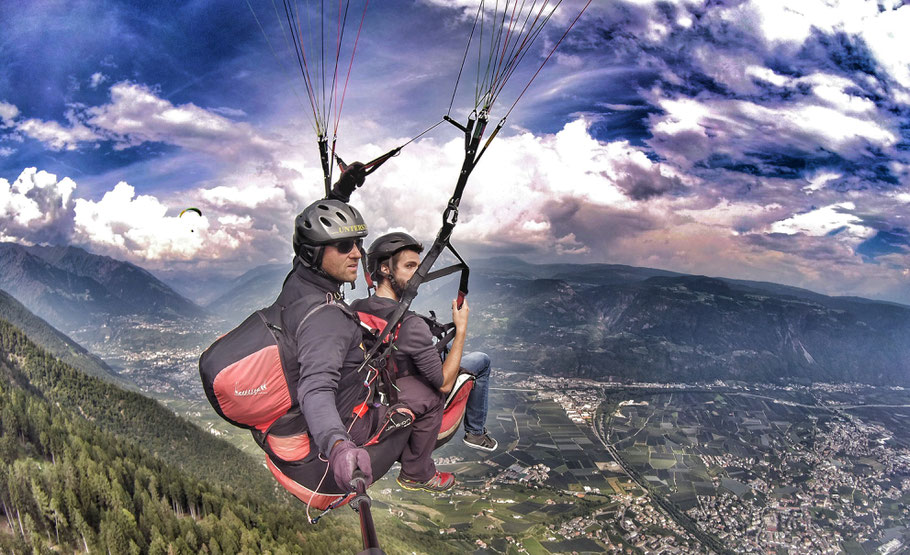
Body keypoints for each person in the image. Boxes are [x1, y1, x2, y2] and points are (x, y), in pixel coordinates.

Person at [264, 198, 425, 505]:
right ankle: (417, 472)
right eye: (344, 246)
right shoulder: (327, 317)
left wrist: (343, 189)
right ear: (315, 251)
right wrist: (338, 444)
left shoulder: (297, 284)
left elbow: (312, 239)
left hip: (289, 437)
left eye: (358, 243)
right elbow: (316, 387)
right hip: (329, 455)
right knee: (413, 411)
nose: (357, 253)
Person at [352, 233, 497, 470]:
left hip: (385, 377)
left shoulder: (357, 307)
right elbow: (443, 385)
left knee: (447, 348)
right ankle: (475, 433)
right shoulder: (410, 324)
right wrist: (461, 329)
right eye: (410, 267)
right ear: (386, 270)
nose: (419, 275)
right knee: (481, 360)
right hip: (409, 387)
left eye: (419, 267)